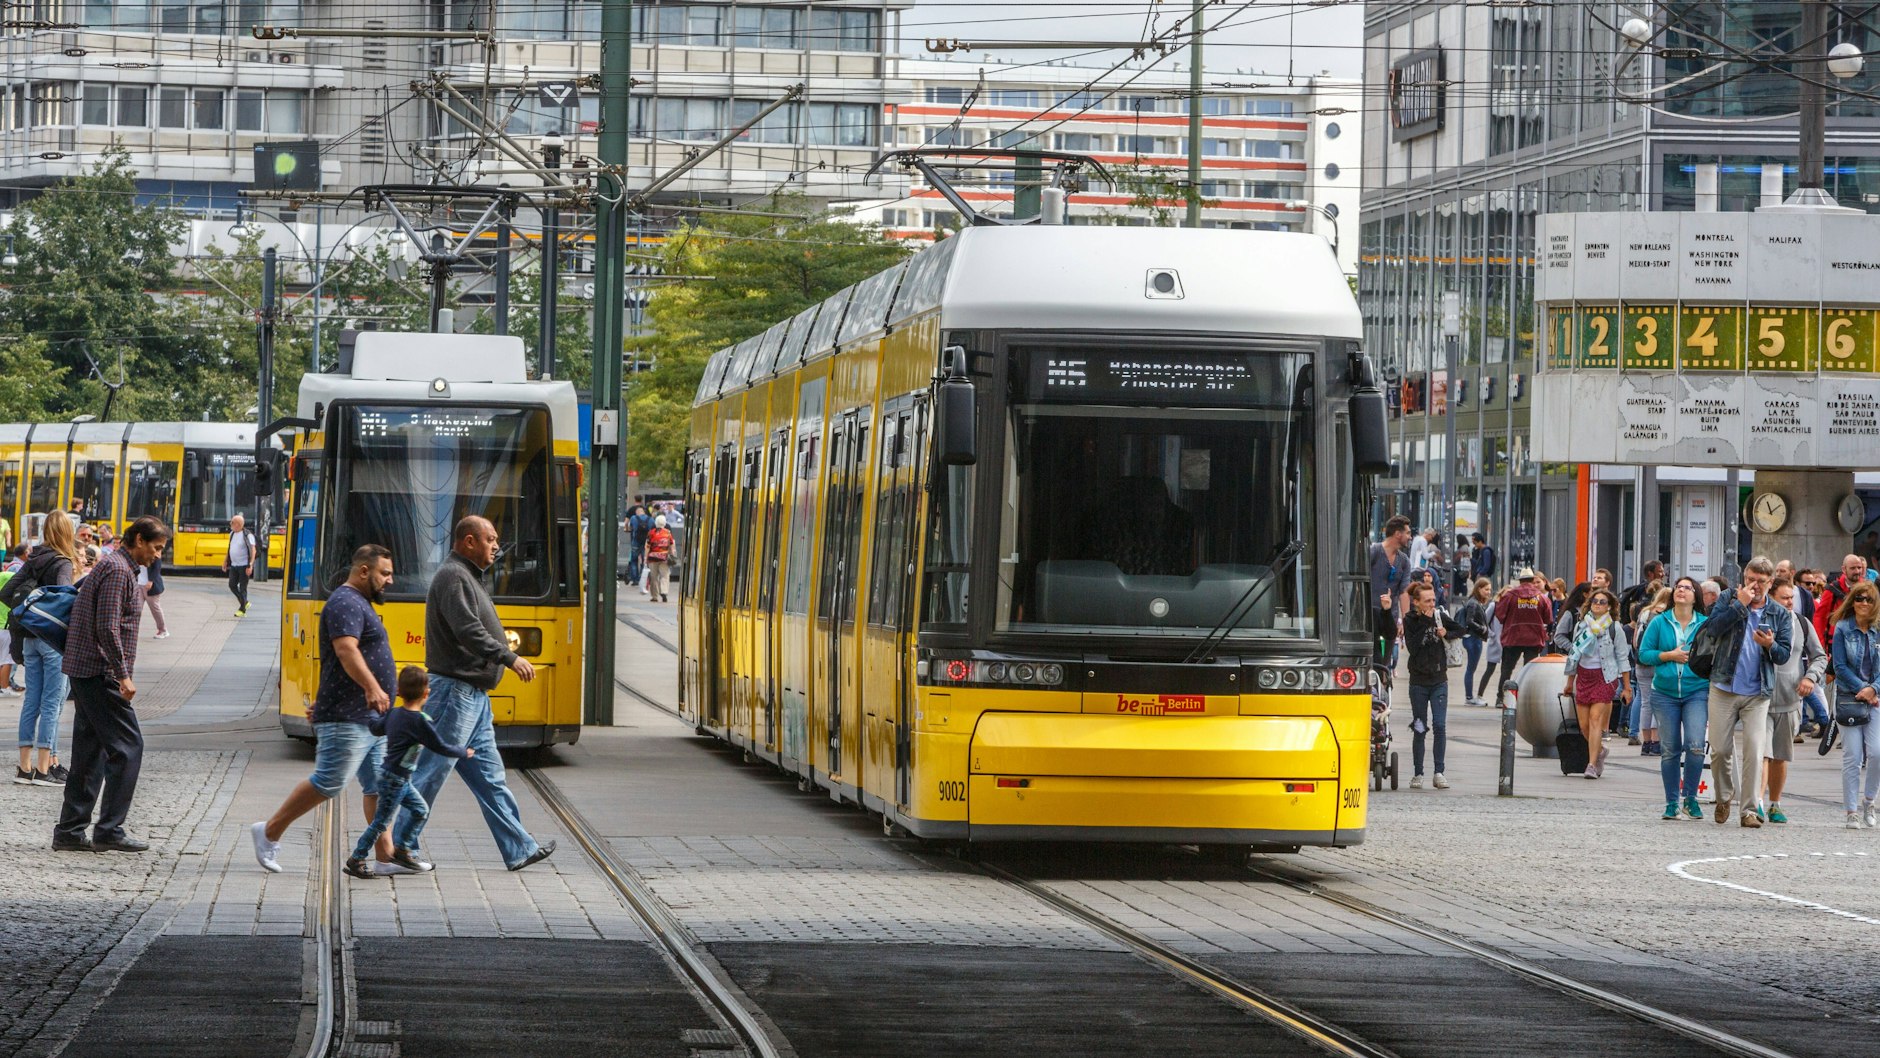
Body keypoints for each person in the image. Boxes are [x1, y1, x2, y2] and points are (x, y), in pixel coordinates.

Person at [409, 516, 556, 872]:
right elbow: (468, 630)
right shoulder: (453, 576)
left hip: (472, 696)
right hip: (455, 694)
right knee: (430, 771)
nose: (496, 546)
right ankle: (398, 844)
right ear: (469, 541)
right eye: (490, 539)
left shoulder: (467, 576)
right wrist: (509, 656)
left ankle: (519, 847)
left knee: (490, 778)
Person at [251, 545, 402, 874]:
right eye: (384, 574)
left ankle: (386, 855)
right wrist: (373, 688)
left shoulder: (358, 602)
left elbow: (339, 661)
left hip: (368, 716)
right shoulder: (345, 601)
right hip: (349, 715)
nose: (390, 581)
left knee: (379, 784)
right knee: (330, 781)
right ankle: (269, 831)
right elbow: (345, 651)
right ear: (364, 571)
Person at [52, 516, 169, 852]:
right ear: (139, 541)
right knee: (128, 747)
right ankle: (109, 830)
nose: (158, 555)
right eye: (156, 548)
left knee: (91, 752)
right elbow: (107, 627)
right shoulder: (118, 570)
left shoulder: (116, 567)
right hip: (100, 672)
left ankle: (70, 831)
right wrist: (122, 675)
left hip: (87, 670)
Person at [344, 665, 474, 879]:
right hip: (395, 780)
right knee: (381, 823)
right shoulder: (420, 721)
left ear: (398, 692)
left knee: (420, 810)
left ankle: (402, 849)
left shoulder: (394, 714)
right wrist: (463, 751)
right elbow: (440, 746)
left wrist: (372, 713)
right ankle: (357, 858)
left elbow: (376, 728)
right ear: (427, 693)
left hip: (397, 778)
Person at [1703, 556, 1791, 829]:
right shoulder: (1729, 598)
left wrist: (1770, 645)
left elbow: (1784, 655)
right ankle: (1723, 796)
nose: (1755, 586)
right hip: (1723, 685)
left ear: (1770, 583)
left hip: (1757, 692)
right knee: (1719, 750)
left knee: (1754, 750)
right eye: (1751, 580)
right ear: (1744, 578)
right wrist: (1739, 606)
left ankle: (1750, 810)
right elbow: (1713, 630)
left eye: (1762, 582)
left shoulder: (1779, 613)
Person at [13, 512, 80, 787]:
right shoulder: (62, 562)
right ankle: (43, 769)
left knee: (32, 701)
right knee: (52, 703)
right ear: (67, 532)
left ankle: (24, 766)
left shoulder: (34, 558)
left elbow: (8, 591)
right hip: (52, 641)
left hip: (29, 637)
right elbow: (64, 601)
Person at [1639, 577, 1711, 820]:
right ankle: (1671, 802)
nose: (1681, 590)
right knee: (1669, 749)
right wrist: (1670, 655)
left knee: (1695, 745)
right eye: (1679, 587)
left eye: (1687, 588)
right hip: (1664, 693)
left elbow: (1714, 654)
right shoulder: (1660, 622)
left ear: (1695, 596)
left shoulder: (1704, 624)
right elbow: (1643, 654)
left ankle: (1690, 798)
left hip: (1696, 691)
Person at [1763, 578, 1825, 825]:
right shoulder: (1760, 620)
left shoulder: (1802, 623)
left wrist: (1810, 677)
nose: (1789, 602)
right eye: (1784, 598)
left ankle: (1775, 804)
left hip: (1790, 700)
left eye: (1792, 598)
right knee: (1762, 753)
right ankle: (1755, 803)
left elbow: (1819, 656)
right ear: (1771, 598)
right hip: (1760, 699)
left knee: (1780, 755)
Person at [1565, 587, 1630, 780]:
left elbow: (1622, 657)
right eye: (1595, 601)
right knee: (1584, 725)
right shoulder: (1581, 626)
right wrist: (1570, 681)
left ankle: (1591, 765)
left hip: (1605, 676)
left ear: (1610, 606)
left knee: (1595, 719)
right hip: (1584, 676)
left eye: (1602, 602)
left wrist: (1626, 687)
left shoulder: (1614, 628)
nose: (1598, 605)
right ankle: (1600, 750)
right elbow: (1574, 655)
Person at [1401, 582, 1462, 789]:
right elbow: (1413, 647)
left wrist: (1447, 633)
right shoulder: (1410, 620)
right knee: (1419, 727)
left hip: (1438, 680)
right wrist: (1425, 621)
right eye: (1427, 600)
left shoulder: (1439, 616)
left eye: (1434, 600)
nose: (1432, 604)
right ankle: (1418, 773)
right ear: (1416, 602)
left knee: (1439, 725)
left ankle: (1439, 772)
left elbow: (1460, 629)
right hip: (1418, 682)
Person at [1830, 580, 1880, 829]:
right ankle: (1851, 811)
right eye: (1859, 598)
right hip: (1850, 698)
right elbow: (1839, 667)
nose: (1863, 603)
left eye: (1868, 599)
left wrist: (1874, 689)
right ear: (1852, 601)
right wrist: (1863, 688)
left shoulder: (1878, 629)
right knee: (1853, 756)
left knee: (1877, 753)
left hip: (1876, 699)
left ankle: (1869, 801)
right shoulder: (1842, 628)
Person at [1493, 567, 1554, 693]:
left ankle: (1501, 697)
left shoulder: (1510, 595)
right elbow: (1548, 619)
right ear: (1532, 580)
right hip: (1534, 638)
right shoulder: (1541, 597)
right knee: (1529, 671)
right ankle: (1525, 696)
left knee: (1507, 669)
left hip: (1512, 637)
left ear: (1520, 581)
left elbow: (1500, 615)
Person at [1629, 586, 1671, 755]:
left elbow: (1634, 641)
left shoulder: (1644, 613)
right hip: (1658, 660)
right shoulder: (1666, 615)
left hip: (1641, 662)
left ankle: (1646, 742)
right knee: (1660, 701)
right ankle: (1656, 741)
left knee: (1646, 702)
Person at [1370, 515, 1413, 667]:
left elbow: (1404, 592)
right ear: (1397, 533)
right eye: (1407, 533)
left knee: (1385, 663)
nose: (1410, 537)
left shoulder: (1404, 560)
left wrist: (1405, 621)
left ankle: (1384, 680)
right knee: (1372, 658)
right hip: (1370, 616)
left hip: (1390, 617)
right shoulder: (1374, 551)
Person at [1455, 577, 1495, 707]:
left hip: (1472, 638)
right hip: (1473, 638)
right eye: (1486, 589)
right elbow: (1469, 621)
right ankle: (1469, 697)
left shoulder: (1474, 602)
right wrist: (1482, 628)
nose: (1489, 592)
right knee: (1471, 669)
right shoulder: (1474, 603)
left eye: (1489, 589)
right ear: (1479, 589)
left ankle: (1469, 696)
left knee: (1471, 668)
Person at [223, 513, 256, 617]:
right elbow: (230, 548)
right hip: (234, 565)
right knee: (232, 585)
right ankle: (245, 602)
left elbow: (253, 551)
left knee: (243, 588)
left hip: (244, 565)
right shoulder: (232, 534)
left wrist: (250, 565)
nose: (230, 524)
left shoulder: (248, 535)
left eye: (232, 522)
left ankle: (242, 610)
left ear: (237, 524)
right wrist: (225, 561)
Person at [1549, 582, 1594, 654]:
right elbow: (1558, 636)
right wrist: (1573, 649)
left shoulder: (1596, 613)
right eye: (1593, 591)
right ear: (1585, 594)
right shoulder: (1571, 613)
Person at [1620, 561, 1667, 627]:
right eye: (1660, 571)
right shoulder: (1638, 592)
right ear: (1650, 574)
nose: (1663, 574)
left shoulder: (1666, 591)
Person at [138, 548, 168, 640]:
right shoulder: (136, 552)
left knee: (155, 608)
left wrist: (150, 581)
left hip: (150, 586)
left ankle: (163, 630)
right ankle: (133, 630)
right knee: (136, 608)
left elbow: (157, 568)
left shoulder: (154, 553)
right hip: (138, 584)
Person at [645, 515, 675, 603]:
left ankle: (654, 596)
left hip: (653, 557)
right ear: (664, 523)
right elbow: (671, 545)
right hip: (664, 557)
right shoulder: (668, 533)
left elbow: (647, 546)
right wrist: (671, 554)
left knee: (654, 577)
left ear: (656, 523)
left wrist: (646, 557)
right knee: (665, 576)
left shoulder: (651, 532)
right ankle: (664, 592)